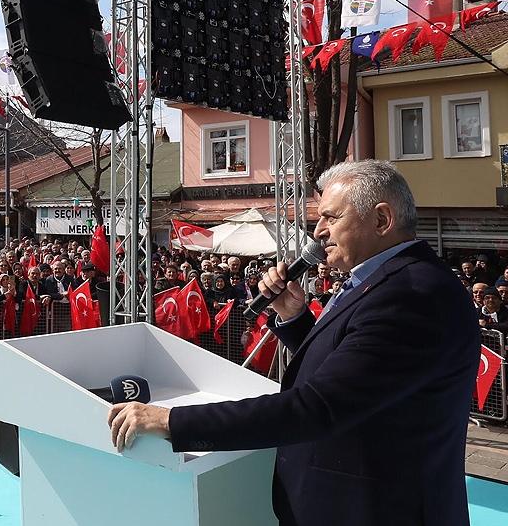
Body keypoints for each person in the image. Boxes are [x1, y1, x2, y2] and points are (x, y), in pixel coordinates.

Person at [106, 160, 479, 526]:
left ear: (382, 220)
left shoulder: (412, 294)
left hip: (378, 510)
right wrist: (295, 317)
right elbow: (355, 374)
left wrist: (172, 419)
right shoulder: (387, 281)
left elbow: (319, 406)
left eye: (332, 218)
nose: (318, 231)